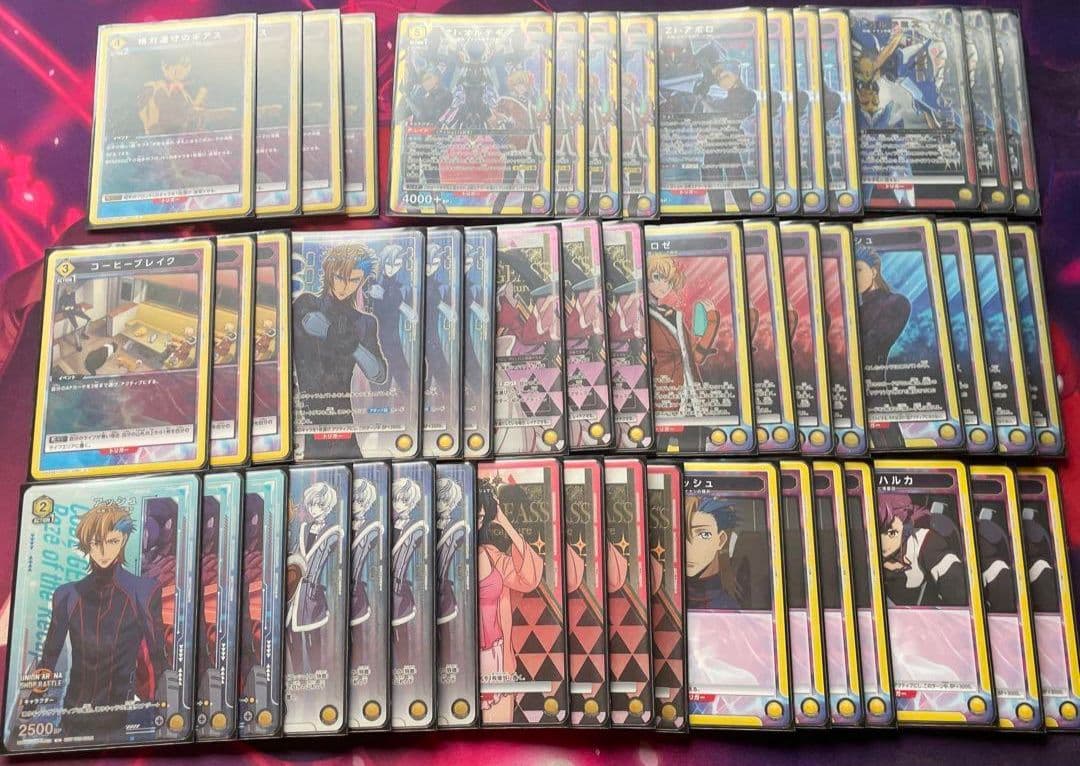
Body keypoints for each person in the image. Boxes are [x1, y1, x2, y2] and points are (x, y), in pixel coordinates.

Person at [33, 503, 167, 739]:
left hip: (122, 720)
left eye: (112, 541)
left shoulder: (144, 591)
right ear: (87, 543)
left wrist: (167, 708)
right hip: (73, 716)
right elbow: (49, 656)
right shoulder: (66, 595)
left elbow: (158, 656)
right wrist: (30, 706)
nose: (104, 551)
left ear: (123, 540)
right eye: (96, 542)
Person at [293, 244, 388, 458]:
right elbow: (311, 323)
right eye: (339, 277)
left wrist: (354, 347)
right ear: (329, 273)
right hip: (308, 417)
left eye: (354, 280)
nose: (345, 286)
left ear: (362, 281)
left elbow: (379, 374)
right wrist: (335, 335)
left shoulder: (364, 322)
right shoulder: (307, 303)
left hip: (342, 421)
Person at [476, 479, 544, 721]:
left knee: (500, 729)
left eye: (481, 517)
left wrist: (504, 522)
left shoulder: (492, 555)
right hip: (457, 662)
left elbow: (530, 578)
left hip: (497, 661)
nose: (478, 522)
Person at [646, 254, 718, 412]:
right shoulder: (644, 315)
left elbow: (696, 356)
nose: (663, 285)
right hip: (663, 399)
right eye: (656, 277)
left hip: (691, 400)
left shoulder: (675, 316)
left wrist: (712, 322)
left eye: (668, 281)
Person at [878, 492, 968, 607]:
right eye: (877, 533)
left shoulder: (927, 542)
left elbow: (957, 590)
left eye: (891, 533)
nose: (883, 542)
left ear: (905, 524)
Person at [57, 286, 91, 351]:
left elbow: (74, 304)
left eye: (71, 289)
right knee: (76, 327)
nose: (70, 291)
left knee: (89, 319)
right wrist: (68, 308)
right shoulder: (63, 298)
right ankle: (78, 345)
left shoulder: (73, 294)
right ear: (66, 291)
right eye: (68, 290)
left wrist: (80, 308)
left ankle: (83, 333)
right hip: (68, 312)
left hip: (74, 310)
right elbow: (61, 308)